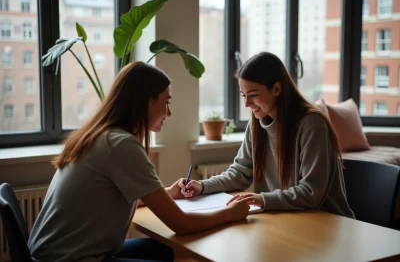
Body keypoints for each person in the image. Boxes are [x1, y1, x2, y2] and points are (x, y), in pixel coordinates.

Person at [28, 61, 250, 262]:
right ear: (146, 101)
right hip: (70, 259)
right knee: (177, 253)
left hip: (51, 254)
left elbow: (116, 195)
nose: (169, 113)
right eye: (166, 102)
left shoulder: (101, 135)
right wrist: (232, 213)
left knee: (167, 250)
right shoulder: (121, 145)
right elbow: (181, 225)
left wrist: (168, 193)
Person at [176, 52, 355, 219]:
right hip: (286, 217)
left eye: (253, 95)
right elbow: (239, 173)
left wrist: (262, 200)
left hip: (325, 221)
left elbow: (311, 192)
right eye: (243, 95)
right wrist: (203, 186)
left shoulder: (312, 124)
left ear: (276, 89)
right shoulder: (257, 123)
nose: (247, 103)